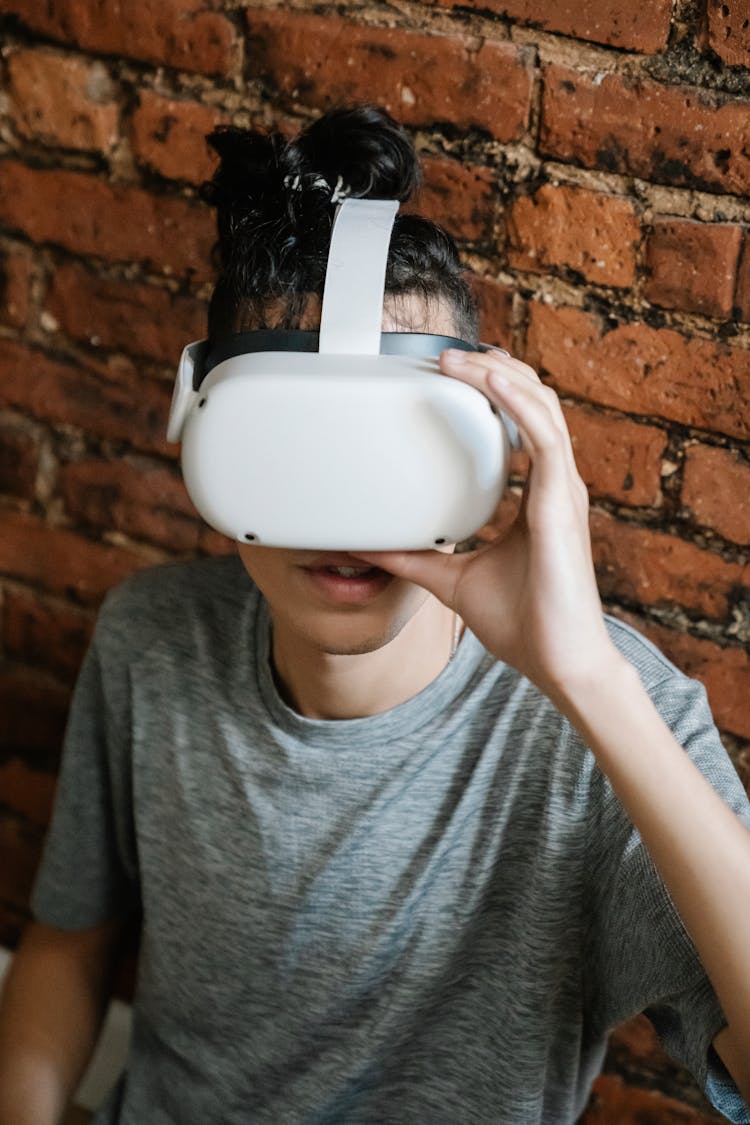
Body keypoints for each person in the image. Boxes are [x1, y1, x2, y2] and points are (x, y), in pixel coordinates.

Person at [0, 105, 748, 1125]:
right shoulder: (151, 639)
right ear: (205, 435)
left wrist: (587, 679)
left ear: (490, 453)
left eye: (395, 454)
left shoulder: (609, 720)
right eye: (294, 448)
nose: (345, 522)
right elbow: (69, 943)